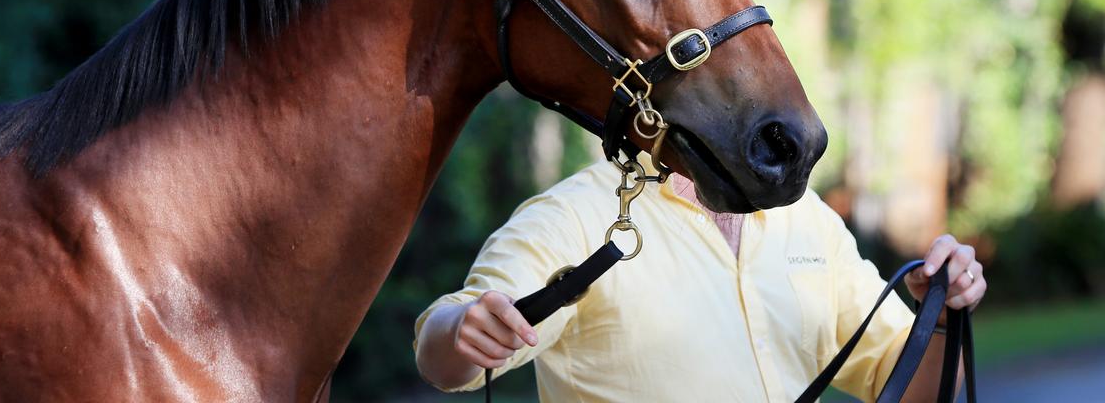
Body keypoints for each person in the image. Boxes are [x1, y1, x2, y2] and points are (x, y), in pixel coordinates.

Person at [413, 157, 987, 402]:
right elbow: (443, 358)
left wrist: (943, 310)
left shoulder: (804, 215)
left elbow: (915, 390)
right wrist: (461, 330)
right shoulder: (573, 214)